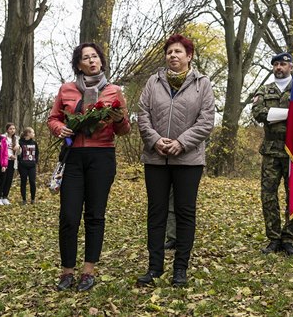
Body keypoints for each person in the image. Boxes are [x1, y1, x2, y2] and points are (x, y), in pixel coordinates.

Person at [48, 42, 130, 292]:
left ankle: (88, 272)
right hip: (73, 157)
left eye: (95, 56)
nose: (92, 61)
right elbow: (53, 118)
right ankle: (66, 272)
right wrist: (60, 129)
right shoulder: (67, 89)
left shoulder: (114, 91)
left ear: (102, 62)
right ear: (78, 65)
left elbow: (124, 130)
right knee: (69, 216)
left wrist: (119, 119)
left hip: (102, 157)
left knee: (95, 215)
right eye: (86, 58)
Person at [136, 34, 215, 287]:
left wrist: (181, 142)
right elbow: (143, 114)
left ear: (189, 56)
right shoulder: (153, 82)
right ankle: (154, 267)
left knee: (185, 213)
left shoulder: (202, 84)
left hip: (188, 160)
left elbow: (206, 121)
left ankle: (180, 268)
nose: (173, 56)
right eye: (169, 52)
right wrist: (156, 140)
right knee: (156, 213)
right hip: (156, 159)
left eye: (178, 52)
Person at [251, 52, 293, 256]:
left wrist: (274, 115)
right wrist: (290, 114)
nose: (279, 67)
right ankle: (273, 238)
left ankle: (289, 238)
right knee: (268, 196)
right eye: (276, 64)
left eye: (283, 64)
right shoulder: (264, 90)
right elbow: (258, 113)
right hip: (271, 151)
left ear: (291, 67)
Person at [0, 123, 20, 205]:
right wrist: (10, 155)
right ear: (7, 129)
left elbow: (18, 150)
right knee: (3, 178)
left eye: (14, 128)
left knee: (9, 179)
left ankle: (5, 197)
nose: (12, 130)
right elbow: (3, 149)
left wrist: (17, 147)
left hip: (12, 161)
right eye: (10, 129)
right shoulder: (3, 137)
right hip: (5, 160)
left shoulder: (16, 138)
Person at [18, 127, 38, 205]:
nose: (34, 134)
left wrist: (35, 162)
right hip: (23, 166)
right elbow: (18, 154)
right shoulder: (20, 143)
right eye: (32, 132)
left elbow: (37, 154)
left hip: (32, 166)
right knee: (23, 182)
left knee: (32, 182)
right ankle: (24, 199)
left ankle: (33, 199)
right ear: (28, 134)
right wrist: (21, 161)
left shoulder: (34, 143)